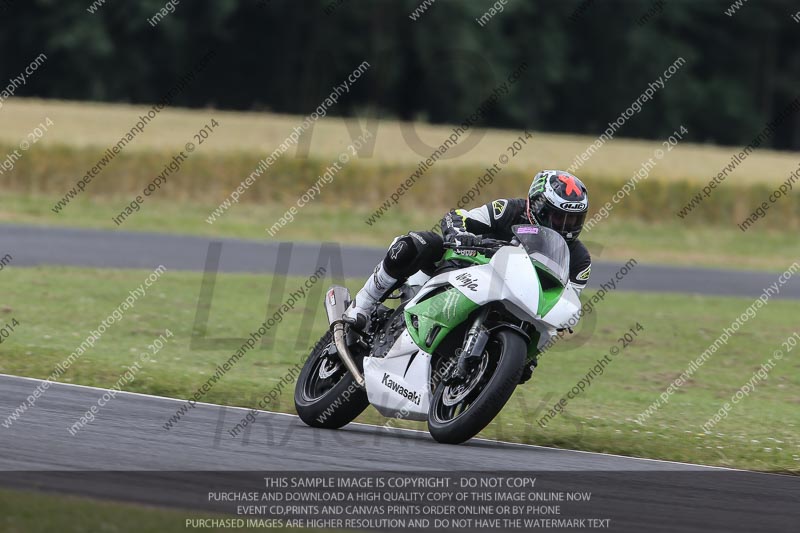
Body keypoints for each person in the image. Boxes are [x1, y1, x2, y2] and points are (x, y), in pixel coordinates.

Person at [343, 170, 592, 334]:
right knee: (419, 243)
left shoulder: (579, 260)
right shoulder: (508, 210)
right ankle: (362, 306)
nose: (565, 227)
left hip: (514, 303)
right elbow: (459, 217)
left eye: (573, 220)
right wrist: (459, 235)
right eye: (558, 217)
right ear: (536, 206)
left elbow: (565, 306)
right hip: (463, 269)